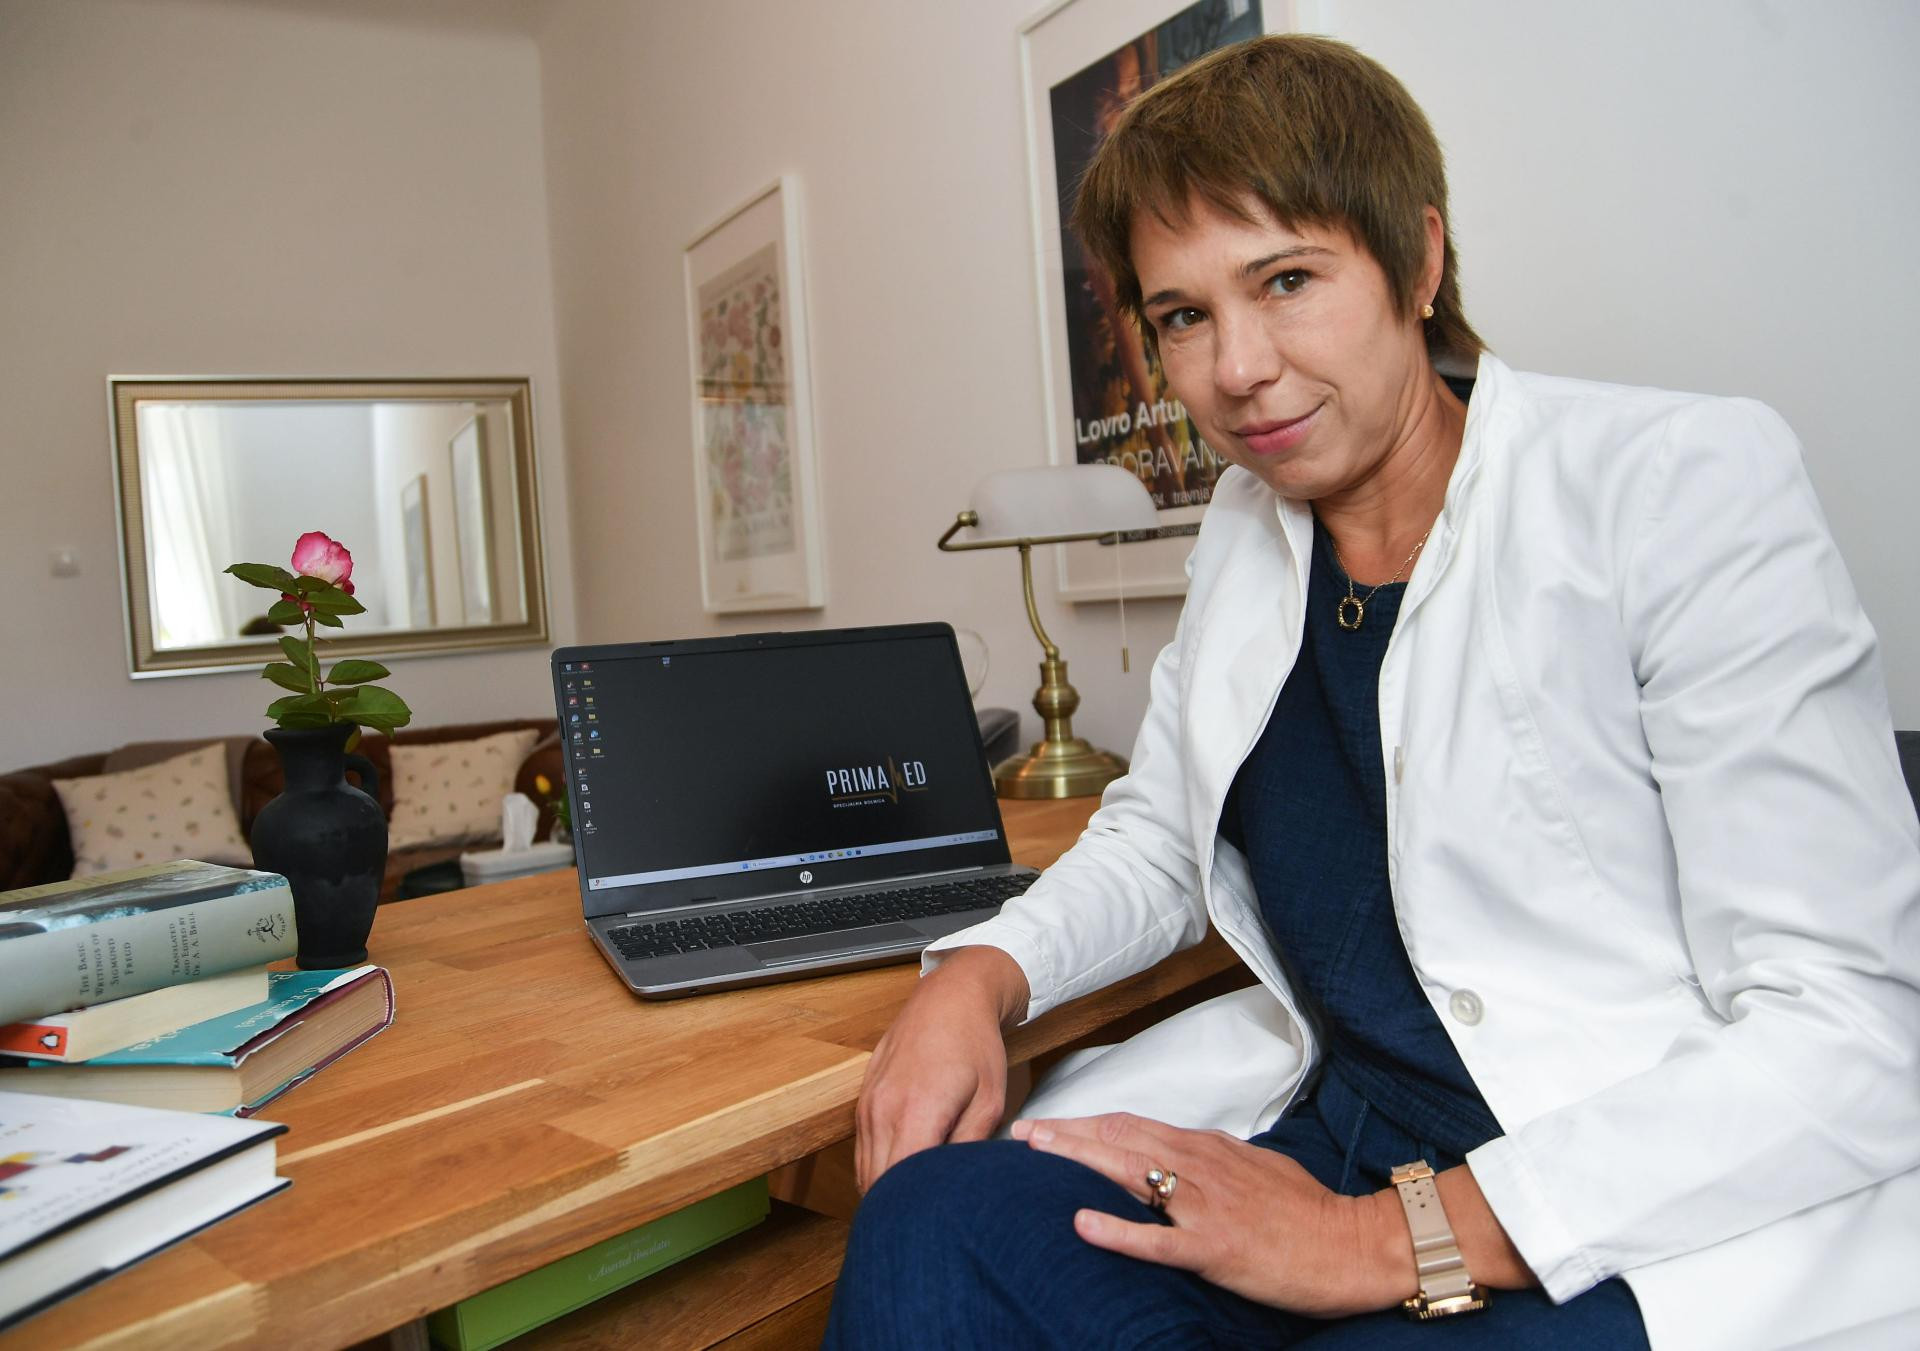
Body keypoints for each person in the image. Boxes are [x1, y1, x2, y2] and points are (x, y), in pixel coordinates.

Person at [823, 33, 1920, 1351]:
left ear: (1420, 259)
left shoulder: (1675, 484)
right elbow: (1161, 836)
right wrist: (979, 976)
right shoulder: (1247, 529)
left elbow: (1853, 1032)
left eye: (1286, 281)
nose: (1236, 369)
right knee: (935, 1222)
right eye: (1183, 317)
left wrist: (1374, 1242)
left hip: (1614, 1200)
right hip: (1337, 1134)